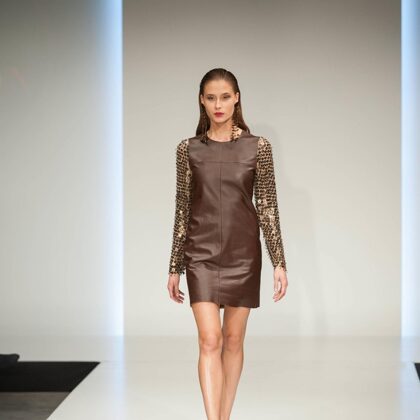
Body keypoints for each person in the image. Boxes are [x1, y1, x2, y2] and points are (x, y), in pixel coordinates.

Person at [167, 68, 288, 420]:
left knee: (233, 340)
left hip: (242, 254)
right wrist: (174, 266)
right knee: (210, 340)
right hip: (200, 253)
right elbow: (182, 207)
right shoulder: (188, 149)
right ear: (201, 102)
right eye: (211, 98)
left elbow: (267, 206)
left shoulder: (258, 148)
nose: (218, 105)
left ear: (236, 99)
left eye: (224, 97)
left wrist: (279, 262)